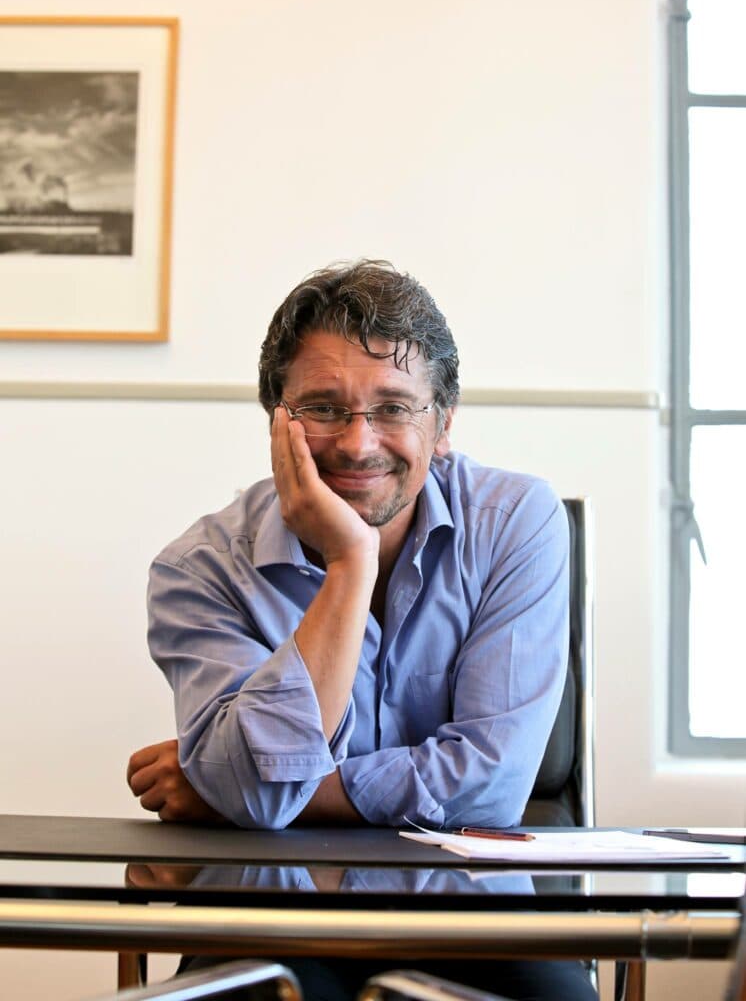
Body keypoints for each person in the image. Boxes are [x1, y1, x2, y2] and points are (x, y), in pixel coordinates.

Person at [127, 260, 596, 1001]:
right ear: (276, 422)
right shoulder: (200, 570)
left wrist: (241, 786)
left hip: (472, 911)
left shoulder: (515, 523)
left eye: (393, 407)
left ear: (443, 424)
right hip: (269, 911)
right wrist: (350, 561)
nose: (357, 443)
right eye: (322, 407)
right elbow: (255, 791)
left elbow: (491, 788)